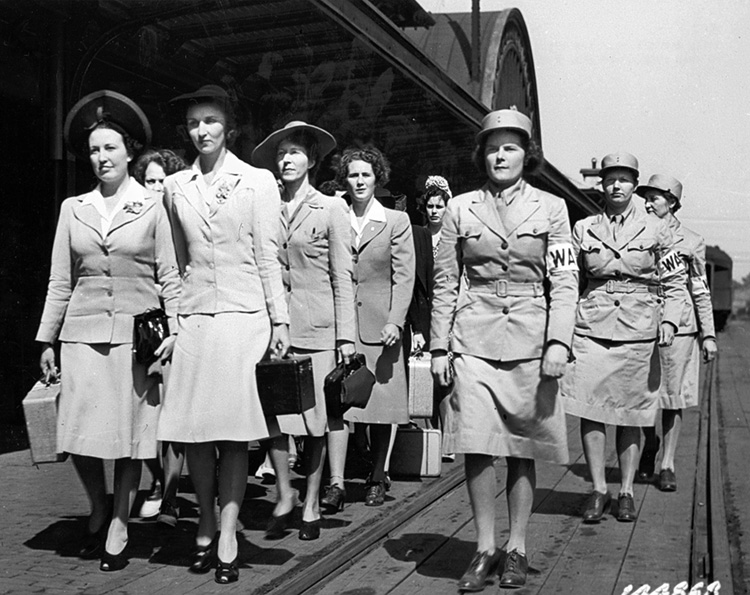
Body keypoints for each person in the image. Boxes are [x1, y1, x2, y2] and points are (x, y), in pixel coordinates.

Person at [431, 108, 578, 590]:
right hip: (472, 338)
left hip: (533, 340)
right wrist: (438, 348)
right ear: (482, 154)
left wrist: (558, 341)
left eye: (510, 146)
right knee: (476, 443)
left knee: (522, 446)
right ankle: (483, 547)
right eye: (493, 147)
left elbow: (565, 280)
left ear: (526, 154)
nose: (500, 155)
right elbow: (445, 282)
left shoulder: (553, 208)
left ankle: (516, 548)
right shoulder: (459, 208)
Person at [36, 90, 180, 571]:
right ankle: (98, 505)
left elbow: (169, 275)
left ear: (130, 151)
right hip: (81, 333)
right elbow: (61, 279)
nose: (101, 158)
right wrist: (47, 339)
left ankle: (119, 521)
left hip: (135, 339)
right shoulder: (72, 208)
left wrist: (175, 332)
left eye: (110, 148)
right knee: (78, 433)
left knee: (129, 436)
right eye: (94, 150)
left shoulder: (153, 207)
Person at [157, 84, 290, 585]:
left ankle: (229, 530)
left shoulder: (257, 181)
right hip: (195, 319)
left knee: (234, 433)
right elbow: (172, 263)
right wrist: (174, 322)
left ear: (228, 126)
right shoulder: (174, 187)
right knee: (195, 431)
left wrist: (279, 321)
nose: (202, 131)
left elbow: (266, 256)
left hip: (243, 316)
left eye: (211, 121)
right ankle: (206, 522)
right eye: (194, 123)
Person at [560, 153, 686, 525]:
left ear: (634, 184)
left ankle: (627, 490)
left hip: (638, 326)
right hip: (591, 327)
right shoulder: (583, 229)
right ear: (602, 185)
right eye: (610, 179)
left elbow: (676, 283)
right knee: (590, 408)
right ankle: (599, 488)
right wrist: (562, 329)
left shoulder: (657, 229)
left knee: (631, 412)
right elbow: (568, 279)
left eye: (624, 180)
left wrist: (671, 323)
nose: (616, 186)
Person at [251, 121, 355, 540]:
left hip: (318, 329)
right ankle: (283, 492)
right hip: (273, 329)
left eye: (294, 152)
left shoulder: (330, 208)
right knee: (272, 417)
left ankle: (311, 502)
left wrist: (345, 336)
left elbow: (342, 277)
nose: (286, 160)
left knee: (315, 422)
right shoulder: (265, 207)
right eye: (281, 154)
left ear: (311, 160)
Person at [324, 145, 415, 509]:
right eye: (353, 175)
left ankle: (377, 477)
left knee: (381, 407)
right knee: (340, 405)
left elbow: (404, 277)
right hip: (342, 323)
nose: (359, 181)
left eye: (365, 174)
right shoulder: (335, 216)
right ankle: (336, 482)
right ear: (344, 180)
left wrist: (396, 320)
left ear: (377, 178)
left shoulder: (396, 221)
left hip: (382, 327)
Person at [636, 174, 718, 491]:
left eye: (654, 198)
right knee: (642, 394)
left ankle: (667, 463)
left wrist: (708, 335)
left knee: (672, 397)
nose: (646, 203)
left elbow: (700, 290)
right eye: (645, 198)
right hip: (641, 322)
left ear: (671, 202)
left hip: (681, 327)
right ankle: (649, 443)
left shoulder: (692, 241)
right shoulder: (637, 234)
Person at [131, 148, 189, 526]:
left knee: (177, 413)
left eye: (161, 182)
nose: (155, 189)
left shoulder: (184, 221)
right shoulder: (136, 221)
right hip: (146, 329)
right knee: (146, 412)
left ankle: (169, 493)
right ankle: (156, 481)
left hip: (180, 322)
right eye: (149, 181)